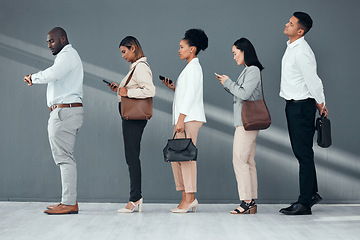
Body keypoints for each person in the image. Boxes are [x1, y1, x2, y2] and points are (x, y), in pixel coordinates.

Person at [23, 27, 84, 214]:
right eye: (48, 42)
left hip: (65, 112)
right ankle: (67, 201)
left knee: (65, 158)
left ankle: (69, 203)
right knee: (65, 158)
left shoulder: (68, 55)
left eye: (52, 41)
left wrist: (33, 77)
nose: (49, 45)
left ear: (63, 39)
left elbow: (53, 73)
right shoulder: (66, 56)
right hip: (66, 111)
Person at [279, 12, 328, 215]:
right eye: (288, 21)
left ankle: (304, 203)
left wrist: (320, 103)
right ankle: (311, 194)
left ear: (300, 31)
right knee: (303, 153)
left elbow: (313, 80)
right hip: (294, 106)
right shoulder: (292, 47)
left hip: (301, 107)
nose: (286, 24)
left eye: (291, 24)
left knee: (303, 154)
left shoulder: (302, 51)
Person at [107, 36, 155, 213]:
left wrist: (127, 91)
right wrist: (119, 90)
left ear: (133, 48)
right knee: (131, 157)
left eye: (124, 51)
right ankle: (136, 197)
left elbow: (150, 90)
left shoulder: (141, 67)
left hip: (134, 119)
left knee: (132, 158)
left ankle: (135, 198)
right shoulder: (135, 68)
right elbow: (129, 92)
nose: (122, 55)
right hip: (130, 118)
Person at [216, 38, 264, 214]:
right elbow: (241, 92)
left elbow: (244, 94)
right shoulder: (247, 71)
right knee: (248, 160)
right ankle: (250, 201)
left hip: (246, 123)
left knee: (239, 159)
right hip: (244, 122)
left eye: (235, 53)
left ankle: (246, 201)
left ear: (244, 51)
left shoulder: (252, 70)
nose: (234, 57)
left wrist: (228, 82)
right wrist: (227, 84)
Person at [162, 28, 208, 213]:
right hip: (185, 118)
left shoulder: (194, 68)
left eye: (182, 47)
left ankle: (190, 198)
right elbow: (187, 94)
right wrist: (175, 87)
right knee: (178, 158)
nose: (179, 50)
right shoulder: (190, 68)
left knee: (186, 158)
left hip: (188, 119)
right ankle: (185, 198)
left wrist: (180, 119)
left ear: (193, 49)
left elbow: (190, 97)